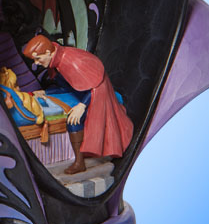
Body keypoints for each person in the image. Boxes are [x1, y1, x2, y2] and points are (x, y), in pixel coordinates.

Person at [22, 35, 133, 175]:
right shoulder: (55, 63)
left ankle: (79, 163)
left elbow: (95, 85)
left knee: (73, 120)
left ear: (48, 52)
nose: (36, 63)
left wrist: (82, 106)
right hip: (79, 92)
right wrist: (46, 92)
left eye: (38, 58)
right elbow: (69, 85)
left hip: (95, 94)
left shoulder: (72, 61)